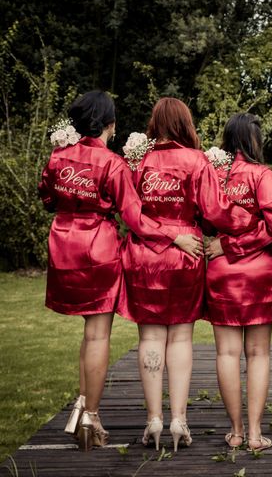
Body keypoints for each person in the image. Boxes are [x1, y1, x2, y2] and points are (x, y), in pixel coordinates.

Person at [38, 91, 200, 451]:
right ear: (110, 123)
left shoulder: (59, 156)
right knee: (98, 334)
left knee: (90, 334)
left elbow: (47, 197)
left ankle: (95, 409)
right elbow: (133, 216)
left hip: (63, 243)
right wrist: (176, 235)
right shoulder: (113, 164)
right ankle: (94, 415)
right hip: (98, 244)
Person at [118, 98, 257, 453]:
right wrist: (250, 220)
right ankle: (179, 418)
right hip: (185, 255)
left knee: (150, 337)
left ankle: (154, 418)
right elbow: (216, 210)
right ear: (185, 123)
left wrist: (163, 233)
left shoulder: (138, 161)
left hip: (144, 255)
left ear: (154, 123)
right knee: (180, 338)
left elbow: (131, 215)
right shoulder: (196, 161)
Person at [203, 113, 272, 452]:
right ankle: (253, 434)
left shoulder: (213, 173)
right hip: (256, 271)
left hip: (220, 267)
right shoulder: (262, 174)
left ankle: (235, 432)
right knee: (258, 353)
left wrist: (226, 243)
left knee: (226, 352)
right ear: (254, 140)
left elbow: (202, 217)